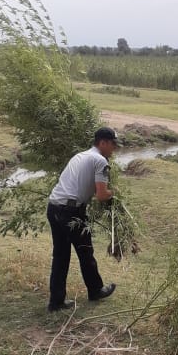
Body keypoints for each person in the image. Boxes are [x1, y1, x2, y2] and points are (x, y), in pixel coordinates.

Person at [46, 127, 122, 312]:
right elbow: (102, 195)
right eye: (113, 144)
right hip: (70, 212)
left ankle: (56, 302)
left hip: (54, 207)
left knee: (60, 256)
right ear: (103, 142)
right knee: (85, 251)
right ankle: (95, 290)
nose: (114, 149)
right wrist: (115, 193)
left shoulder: (80, 156)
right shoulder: (100, 160)